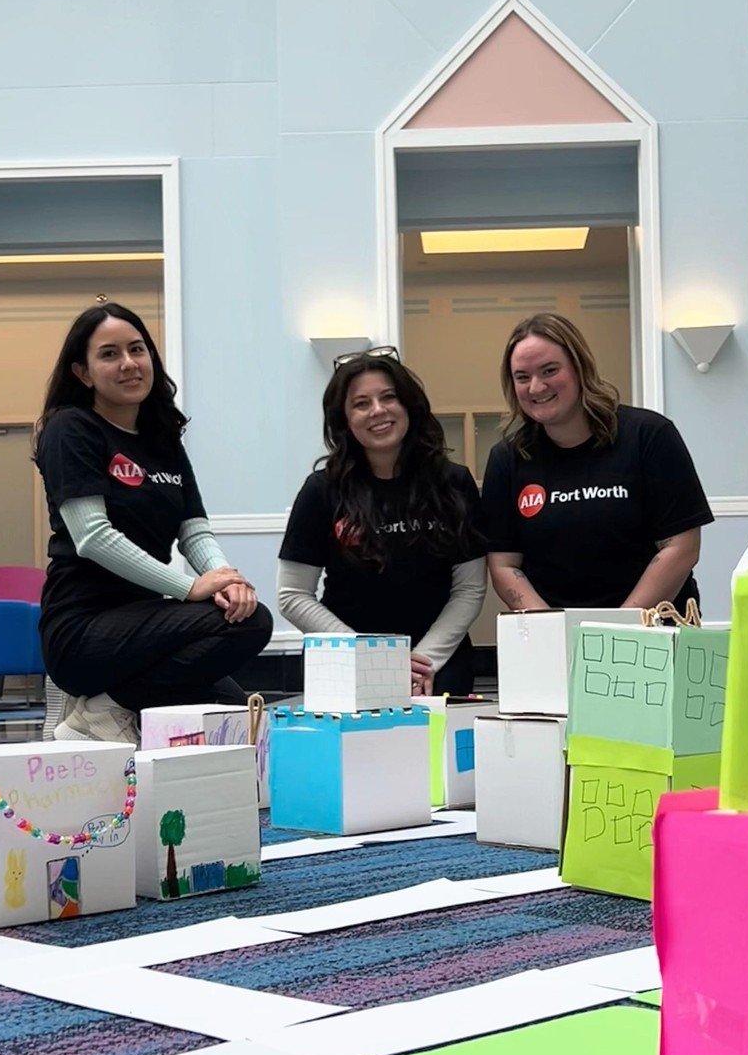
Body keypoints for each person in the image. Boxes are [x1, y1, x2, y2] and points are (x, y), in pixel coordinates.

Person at [33, 301, 273, 743]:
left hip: (149, 624)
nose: (128, 363)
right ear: (83, 373)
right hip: (83, 627)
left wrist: (224, 579)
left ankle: (108, 702)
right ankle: (103, 709)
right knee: (255, 622)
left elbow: (193, 529)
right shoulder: (70, 428)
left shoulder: (162, 440)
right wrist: (188, 588)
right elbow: (92, 537)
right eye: (109, 354)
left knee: (232, 714)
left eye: (137, 349)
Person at [277, 348, 486, 696]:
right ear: (343, 419)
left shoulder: (454, 483)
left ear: (409, 406)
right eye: (361, 403)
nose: (378, 410)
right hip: (344, 659)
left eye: (389, 397)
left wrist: (423, 660)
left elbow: (470, 588)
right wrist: (370, 658)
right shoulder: (321, 490)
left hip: (434, 660)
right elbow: (293, 595)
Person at [481, 312, 713, 613]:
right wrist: (549, 627)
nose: (536, 387)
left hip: (650, 630)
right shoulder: (507, 459)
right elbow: (503, 564)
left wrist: (618, 629)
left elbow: (681, 548)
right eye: (522, 377)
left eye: (549, 371)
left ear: (580, 368)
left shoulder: (649, 436)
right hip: (552, 637)